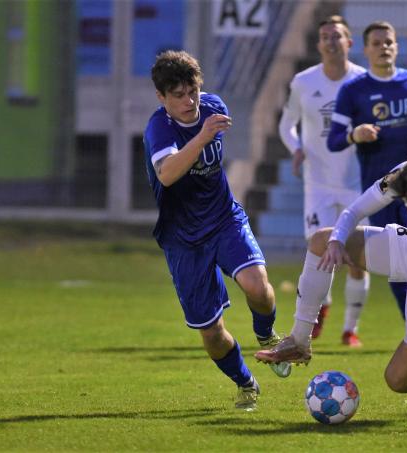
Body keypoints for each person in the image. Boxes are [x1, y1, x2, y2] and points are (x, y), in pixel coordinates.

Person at [255, 152, 407, 395]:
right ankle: (299, 342)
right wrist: (337, 241)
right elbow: (354, 211)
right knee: (321, 241)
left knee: (398, 380)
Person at [143, 50, 292, 412]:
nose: (189, 100)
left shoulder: (212, 106)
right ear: (162, 98)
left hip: (225, 219)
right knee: (210, 331)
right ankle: (245, 382)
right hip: (183, 238)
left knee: (258, 287)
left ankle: (266, 332)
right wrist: (201, 138)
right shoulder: (159, 127)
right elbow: (167, 173)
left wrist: (205, 129)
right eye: (177, 95)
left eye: (192, 90)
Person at [326, 20, 407, 320]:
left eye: (388, 42)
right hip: (381, 189)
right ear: (366, 50)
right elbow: (334, 140)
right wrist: (355, 134)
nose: (384, 48)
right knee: (396, 262)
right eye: (377, 43)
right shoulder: (353, 90)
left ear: (396, 46)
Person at [278, 16, 369, 347]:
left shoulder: (364, 80)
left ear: (349, 43)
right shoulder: (303, 82)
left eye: (338, 36)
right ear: (318, 44)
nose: (331, 41)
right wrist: (297, 148)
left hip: (358, 182)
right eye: (325, 36)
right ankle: (321, 308)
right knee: (318, 250)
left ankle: (350, 330)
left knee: (359, 257)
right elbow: (286, 125)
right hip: (317, 183)